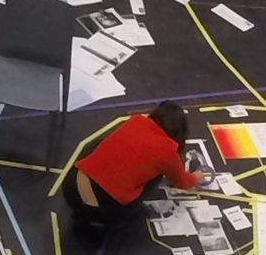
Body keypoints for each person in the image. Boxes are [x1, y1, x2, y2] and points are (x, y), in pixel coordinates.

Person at [63, 101, 205, 242]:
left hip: (70, 185)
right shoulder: (168, 152)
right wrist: (195, 177)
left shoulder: (136, 121)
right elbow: (182, 182)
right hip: (96, 209)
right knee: (156, 175)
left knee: (102, 144)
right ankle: (109, 218)